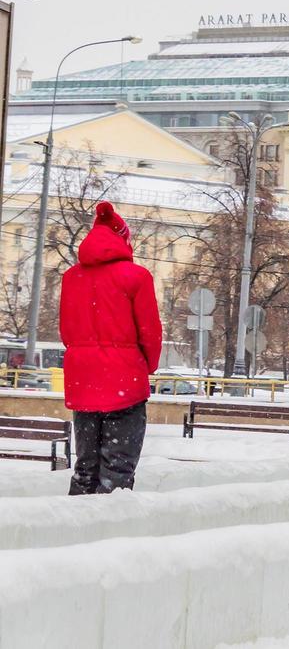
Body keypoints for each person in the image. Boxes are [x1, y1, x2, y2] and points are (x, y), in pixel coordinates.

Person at [59, 201, 161, 495]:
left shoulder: (71, 278)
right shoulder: (136, 277)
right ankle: (111, 534)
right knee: (117, 469)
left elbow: (67, 332)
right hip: (124, 381)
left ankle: (74, 530)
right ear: (123, 240)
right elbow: (150, 333)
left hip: (83, 380)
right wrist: (145, 366)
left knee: (86, 466)